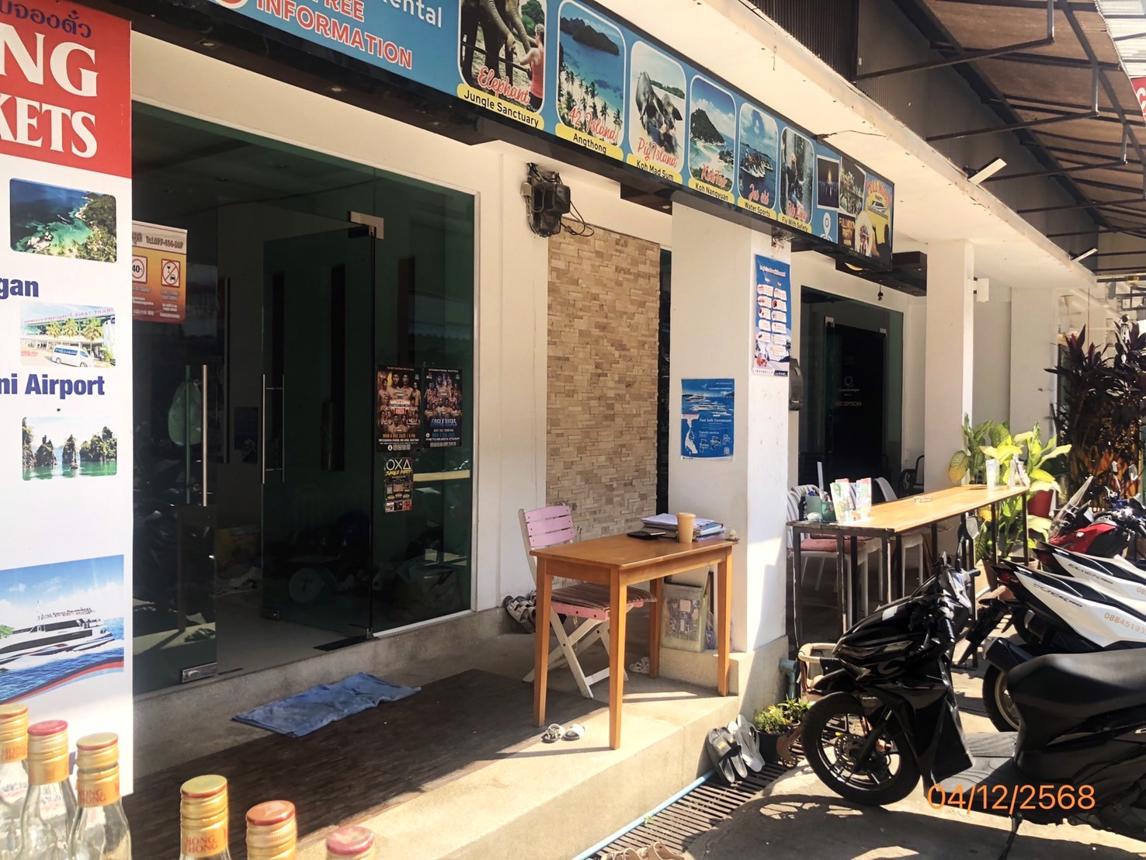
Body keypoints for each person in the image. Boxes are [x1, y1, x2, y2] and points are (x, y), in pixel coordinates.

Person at [524, 24, 544, 111]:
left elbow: (521, 61)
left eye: (535, 34)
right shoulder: (548, 54)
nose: (535, 36)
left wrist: (516, 49)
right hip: (543, 97)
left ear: (538, 35)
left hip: (535, 94)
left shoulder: (535, 52)